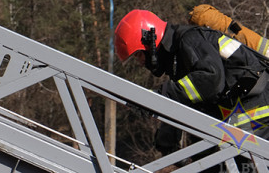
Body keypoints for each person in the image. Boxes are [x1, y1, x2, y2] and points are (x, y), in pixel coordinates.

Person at [114, 9, 269, 155]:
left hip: (258, 108)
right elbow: (188, 97)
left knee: (235, 160)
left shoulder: (190, 39)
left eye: (138, 55)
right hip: (246, 109)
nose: (140, 62)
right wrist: (167, 134)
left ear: (150, 42)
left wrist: (160, 96)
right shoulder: (177, 56)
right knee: (208, 157)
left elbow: (210, 81)